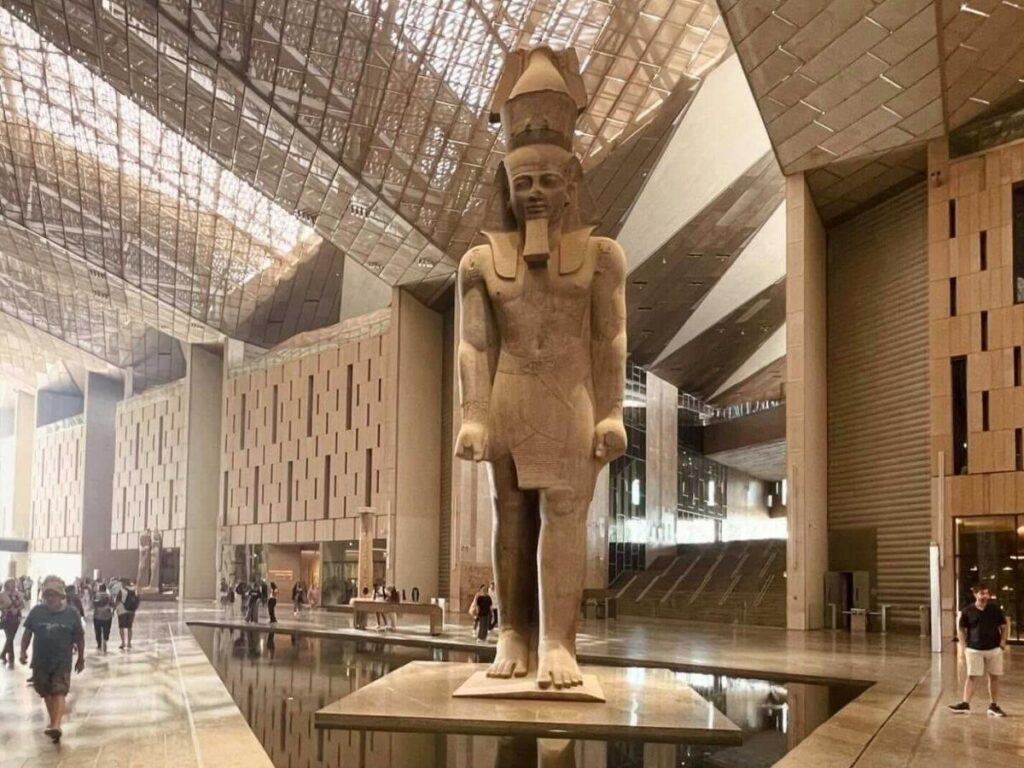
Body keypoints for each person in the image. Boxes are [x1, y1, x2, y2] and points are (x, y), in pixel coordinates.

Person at [20, 576, 85, 742]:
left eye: (53, 595)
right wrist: (22, 652)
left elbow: (79, 637)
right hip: (40, 661)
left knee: (59, 690)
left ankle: (56, 724)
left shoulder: (71, 614)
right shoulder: (37, 612)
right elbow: (27, 633)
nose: (50, 598)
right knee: (46, 692)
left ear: (61, 596)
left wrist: (81, 658)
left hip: (61, 661)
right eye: (47, 595)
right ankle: (54, 722)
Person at [949, 583, 1009, 717]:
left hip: (994, 649)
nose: (985, 596)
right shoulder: (967, 611)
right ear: (975, 594)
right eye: (982, 593)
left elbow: (1004, 627)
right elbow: (961, 629)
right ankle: (965, 704)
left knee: (994, 676)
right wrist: (964, 647)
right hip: (974, 649)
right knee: (972, 676)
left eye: (987, 593)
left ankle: (993, 705)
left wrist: (1002, 644)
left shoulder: (995, 609)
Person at [1, 577, 24, 666]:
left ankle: (4, 654)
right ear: (7, 584)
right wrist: (5, 609)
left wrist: (17, 609)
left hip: (16, 618)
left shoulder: (18, 594)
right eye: (10, 583)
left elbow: (22, 605)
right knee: (10, 638)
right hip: (7, 618)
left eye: (13, 583)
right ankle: (10, 657)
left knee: (10, 638)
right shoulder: (2, 594)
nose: (12, 585)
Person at [90, 583, 114, 653]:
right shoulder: (109, 596)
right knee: (106, 629)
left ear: (99, 588)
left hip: (97, 616)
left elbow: (92, 605)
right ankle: (105, 640)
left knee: (98, 631)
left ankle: (99, 644)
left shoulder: (95, 595)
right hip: (107, 616)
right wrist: (112, 612)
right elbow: (113, 604)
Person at [118, 582, 139, 650]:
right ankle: (129, 643)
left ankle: (123, 643)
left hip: (122, 611)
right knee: (129, 627)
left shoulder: (121, 590)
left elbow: (117, 600)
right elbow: (138, 601)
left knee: (122, 627)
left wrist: (114, 609)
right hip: (131, 611)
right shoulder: (135, 590)